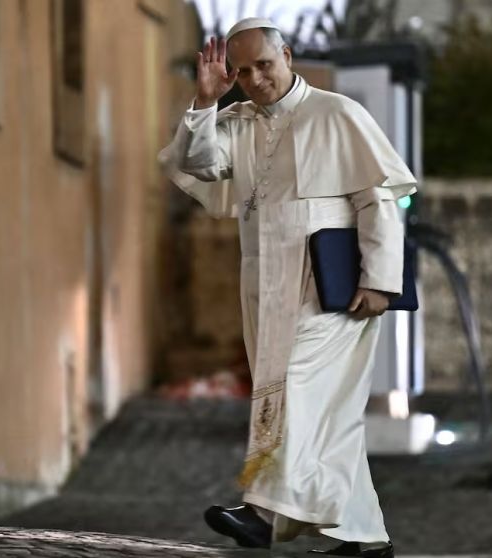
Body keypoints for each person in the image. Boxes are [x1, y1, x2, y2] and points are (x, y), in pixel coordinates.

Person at [158, 17, 415, 558]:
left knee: (295, 391)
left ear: (289, 56)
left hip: (332, 290)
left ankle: (262, 513)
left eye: (264, 66)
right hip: (266, 285)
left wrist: (381, 282)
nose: (255, 80)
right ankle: (365, 541)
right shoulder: (239, 121)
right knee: (327, 417)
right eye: (243, 71)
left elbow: (379, 201)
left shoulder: (337, 113)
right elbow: (197, 164)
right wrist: (205, 102)